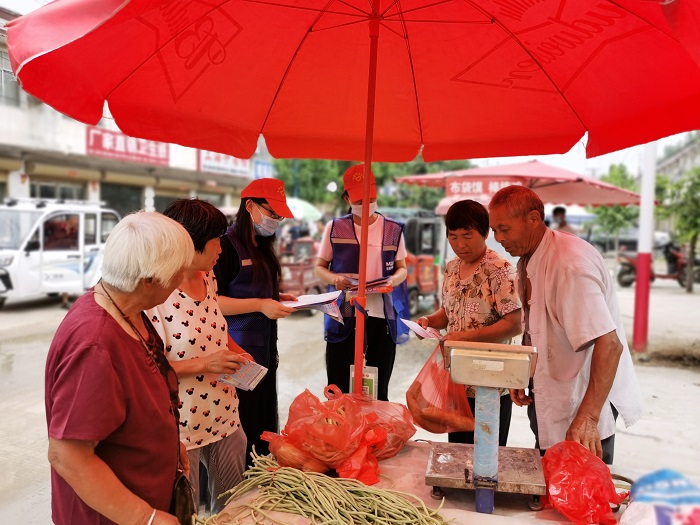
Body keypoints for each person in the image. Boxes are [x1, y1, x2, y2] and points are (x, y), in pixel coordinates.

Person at [45, 211, 194, 525]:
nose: (183, 281)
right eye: (180, 273)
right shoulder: (95, 346)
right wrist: (144, 517)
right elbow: (67, 455)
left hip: (147, 488)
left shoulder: (126, 307)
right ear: (149, 280)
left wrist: (168, 445)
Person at [488, 186, 643, 464]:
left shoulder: (569, 265)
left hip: (584, 402)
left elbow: (610, 344)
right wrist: (524, 371)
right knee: (553, 479)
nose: (499, 239)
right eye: (494, 231)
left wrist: (588, 417)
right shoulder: (531, 257)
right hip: (549, 391)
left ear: (533, 219)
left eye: (504, 229)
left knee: (582, 491)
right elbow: (535, 325)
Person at [148, 199, 251, 513]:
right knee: (186, 509)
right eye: (215, 241)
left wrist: (236, 351)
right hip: (181, 425)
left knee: (234, 502)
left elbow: (214, 325)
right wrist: (207, 364)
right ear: (188, 245)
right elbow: (147, 367)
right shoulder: (155, 294)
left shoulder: (207, 275)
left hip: (224, 410)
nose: (221, 248)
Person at [416, 200, 521, 445]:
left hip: (490, 381)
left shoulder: (500, 270)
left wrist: (463, 338)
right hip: (457, 380)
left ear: (485, 233)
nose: (460, 245)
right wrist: (429, 321)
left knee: (487, 457)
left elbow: (515, 323)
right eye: (453, 237)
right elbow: (448, 311)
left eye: (467, 235)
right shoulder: (452, 268)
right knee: (457, 452)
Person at [213, 178, 296, 467]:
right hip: (239, 357)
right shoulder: (225, 246)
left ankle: (261, 478)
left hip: (264, 355)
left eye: (279, 216)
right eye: (272, 213)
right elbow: (212, 302)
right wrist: (260, 305)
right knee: (242, 429)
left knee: (263, 425)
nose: (275, 221)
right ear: (250, 206)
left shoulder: (262, 246)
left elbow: (255, 290)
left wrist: (276, 297)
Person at [314, 164, 410, 402]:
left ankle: (373, 434)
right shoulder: (335, 228)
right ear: (347, 197)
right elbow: (319, 267)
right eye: (359, 199)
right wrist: (334, 279)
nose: (366, 204)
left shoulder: (392, 230)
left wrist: (392, 281)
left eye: (371, 198)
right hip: (345, 311)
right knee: (338, 384)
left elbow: (402, 270)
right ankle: (341, 430)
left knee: (378, 384)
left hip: (381, 314)